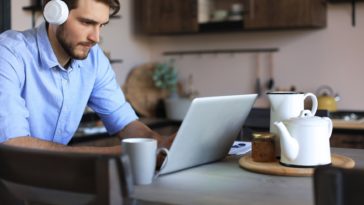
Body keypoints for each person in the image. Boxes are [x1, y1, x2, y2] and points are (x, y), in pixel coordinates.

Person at [0, 0, 173, 155]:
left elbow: (125, 122)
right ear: (54, 13)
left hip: (49, 179)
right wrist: (122, 154)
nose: (95, 38)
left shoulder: (94, 59)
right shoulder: (8, 53)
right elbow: (12, 144)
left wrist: (163, 145)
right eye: (86, 22)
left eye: (101, 25)